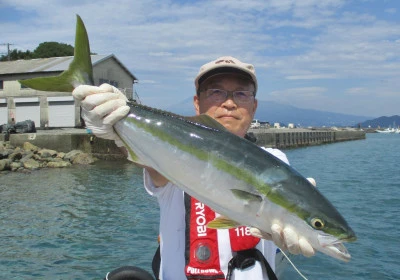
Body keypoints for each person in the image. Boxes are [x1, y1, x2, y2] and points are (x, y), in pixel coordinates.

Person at [72, 56, 315, 280]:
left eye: (241, 94)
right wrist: (113, 127)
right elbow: (147, 159)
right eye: (216, 92)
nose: (229, 103)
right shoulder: (173, 157)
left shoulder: (274, 161)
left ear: (254, 106)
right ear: (197, 103)